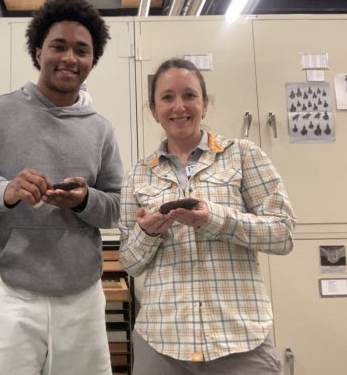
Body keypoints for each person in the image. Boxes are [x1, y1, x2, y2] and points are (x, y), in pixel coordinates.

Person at [0, 0, 122, 375]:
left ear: (92, 61)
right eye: (58, 46)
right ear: (38, 51)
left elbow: (120, 206)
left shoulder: (101, 129)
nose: (69, 58)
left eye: (81, 50)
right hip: (2, 296)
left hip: (81, 300)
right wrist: (2, 192)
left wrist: (85, 200)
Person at [119, 58, 296, 375]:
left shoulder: (242, 155)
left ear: (205, 103)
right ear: (152, 109)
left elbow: (283, 234)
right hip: (162, 343)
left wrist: (214, 219)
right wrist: (147, 233)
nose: (179, 107)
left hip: (239, 340)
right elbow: (130, 262)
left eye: (189, 95)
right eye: (167, 97)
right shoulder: (137, 175)